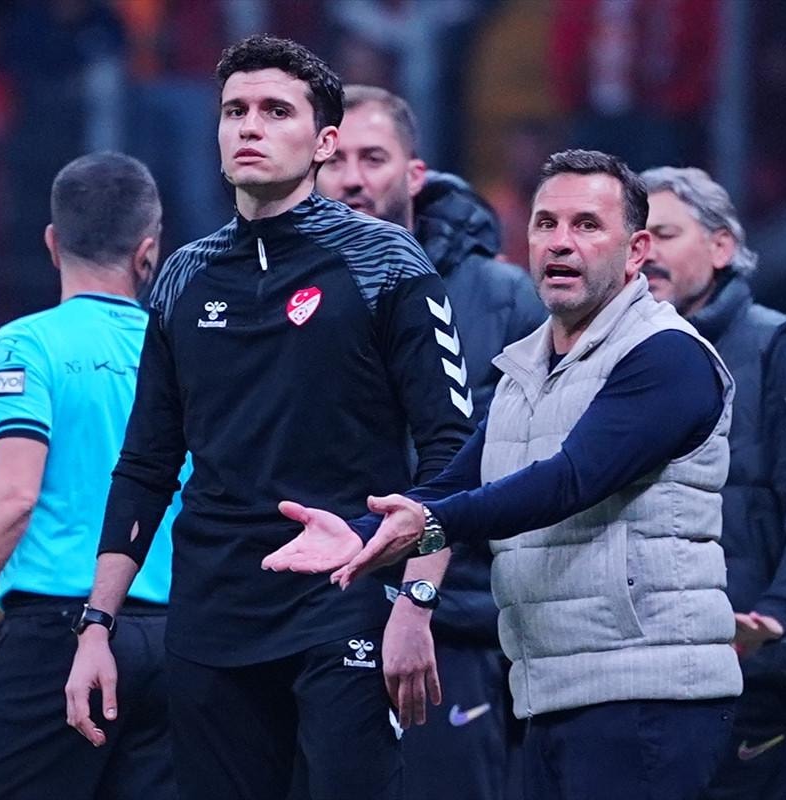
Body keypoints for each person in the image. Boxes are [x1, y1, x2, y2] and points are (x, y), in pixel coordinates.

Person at [63, 35, 474, 800]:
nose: (249, 126)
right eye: (235, 111)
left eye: (276, 111)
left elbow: (451, 445)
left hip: (344, 600)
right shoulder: (183, 276)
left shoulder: (387, 262)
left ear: (323, 144)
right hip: (210, 616)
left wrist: (418, 600)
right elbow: (147, 464)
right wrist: (96, 625)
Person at [264, 149, 742, 799]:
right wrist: (360, 534)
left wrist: (428, 525)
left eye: (586, 225)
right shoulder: (526, 369)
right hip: (551, 689)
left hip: (651, 695)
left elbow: (567, 482)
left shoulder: (668, 355)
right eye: (546, 224)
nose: (561, 242)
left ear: (635, 252)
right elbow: (456, 482)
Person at [0, 152, 177, 800]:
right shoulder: (183, 349)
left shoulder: (26, 345)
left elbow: (12, 497)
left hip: (62, 639)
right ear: (149, 250)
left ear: (53, 243)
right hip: (175, 646)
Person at [316, 84, 545, 800]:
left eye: (373, 158)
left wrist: (420, 596)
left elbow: (519, 466)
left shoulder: (504, 297)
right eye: (336, 160)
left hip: (455, 626)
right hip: (320, 619)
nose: (353, 178)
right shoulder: (281, 297)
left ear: (415, 174)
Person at [638, 166, 786, 800]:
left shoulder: (778, 349)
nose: (648, 253)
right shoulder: (609, 357)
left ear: (721, 246)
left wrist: (777, 619)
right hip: (634, 678)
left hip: (751, 678)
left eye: (666, 234)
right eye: (637, 238)